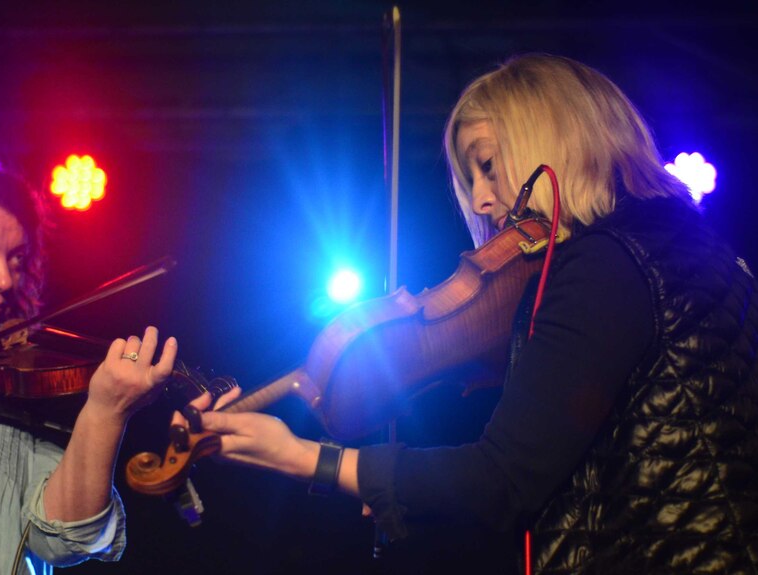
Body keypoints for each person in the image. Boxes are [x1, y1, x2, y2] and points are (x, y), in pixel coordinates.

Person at [176, 54, 758, 573]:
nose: (481, 200)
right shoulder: (695, 251)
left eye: (488, 165)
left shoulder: (605, 264)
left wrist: (303, 457)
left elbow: (498, 482)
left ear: (550, 141)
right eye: (471, 178)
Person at [0, 147, 178, 574]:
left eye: (16, 260)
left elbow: (68, 539)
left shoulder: (23, 402)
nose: (5, 280)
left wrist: (105, 412)